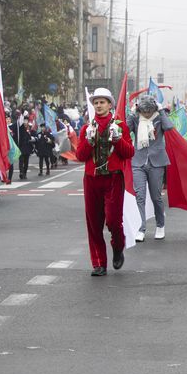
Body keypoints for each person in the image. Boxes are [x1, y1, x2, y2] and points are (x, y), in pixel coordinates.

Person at [76, 88, 134, 276]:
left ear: (110, 105)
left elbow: (129, 153)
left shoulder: (120, 126)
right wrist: (89, 141)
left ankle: (118, 247)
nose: (98, 105)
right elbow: (80, 156)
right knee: (94, 223)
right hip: (92, 179)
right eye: (96, 102)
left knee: (113, 221)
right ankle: (99, 263)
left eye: (102, 102)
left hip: (113, 178)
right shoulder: (87, 128)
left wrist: (117, 140)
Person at [127, 95, 174, 242]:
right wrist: (132, 112)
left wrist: (161, 111)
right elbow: (125, 129)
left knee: (156, 197)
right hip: (138, 161)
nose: (146, 114)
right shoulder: (136, 118)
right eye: (143, 111)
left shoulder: (159, 118)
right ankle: (140, 228)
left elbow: (169, 127)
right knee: (140, 196)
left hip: (156, 162)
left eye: (149, 111)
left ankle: (160, 226)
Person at [11, 115, 35, 180]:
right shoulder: (20, 127)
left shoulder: (29, 128)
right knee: (21, 160)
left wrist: (33, 138)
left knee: (26, 161)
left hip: (27, 147)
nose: (25, 122)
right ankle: (21, 172)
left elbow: (33, 135)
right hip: (21, 146)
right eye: (24, 120)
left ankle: (25, 172)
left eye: (26, 120)